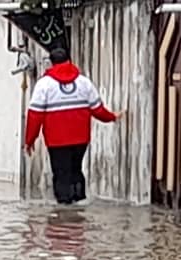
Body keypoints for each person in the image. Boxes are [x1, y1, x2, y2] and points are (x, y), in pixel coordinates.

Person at [24, 47, 123, 205]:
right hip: (80, 140)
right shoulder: (84, 82)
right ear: (69, 61)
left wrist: (29, 140)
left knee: (61, 173)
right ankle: (79, 209)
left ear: (51, 63)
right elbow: (97, 109)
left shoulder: (44, 85)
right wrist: (112, 117)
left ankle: (63, 216)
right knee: (76, 169)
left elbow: (35, 116)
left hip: (57, 141)